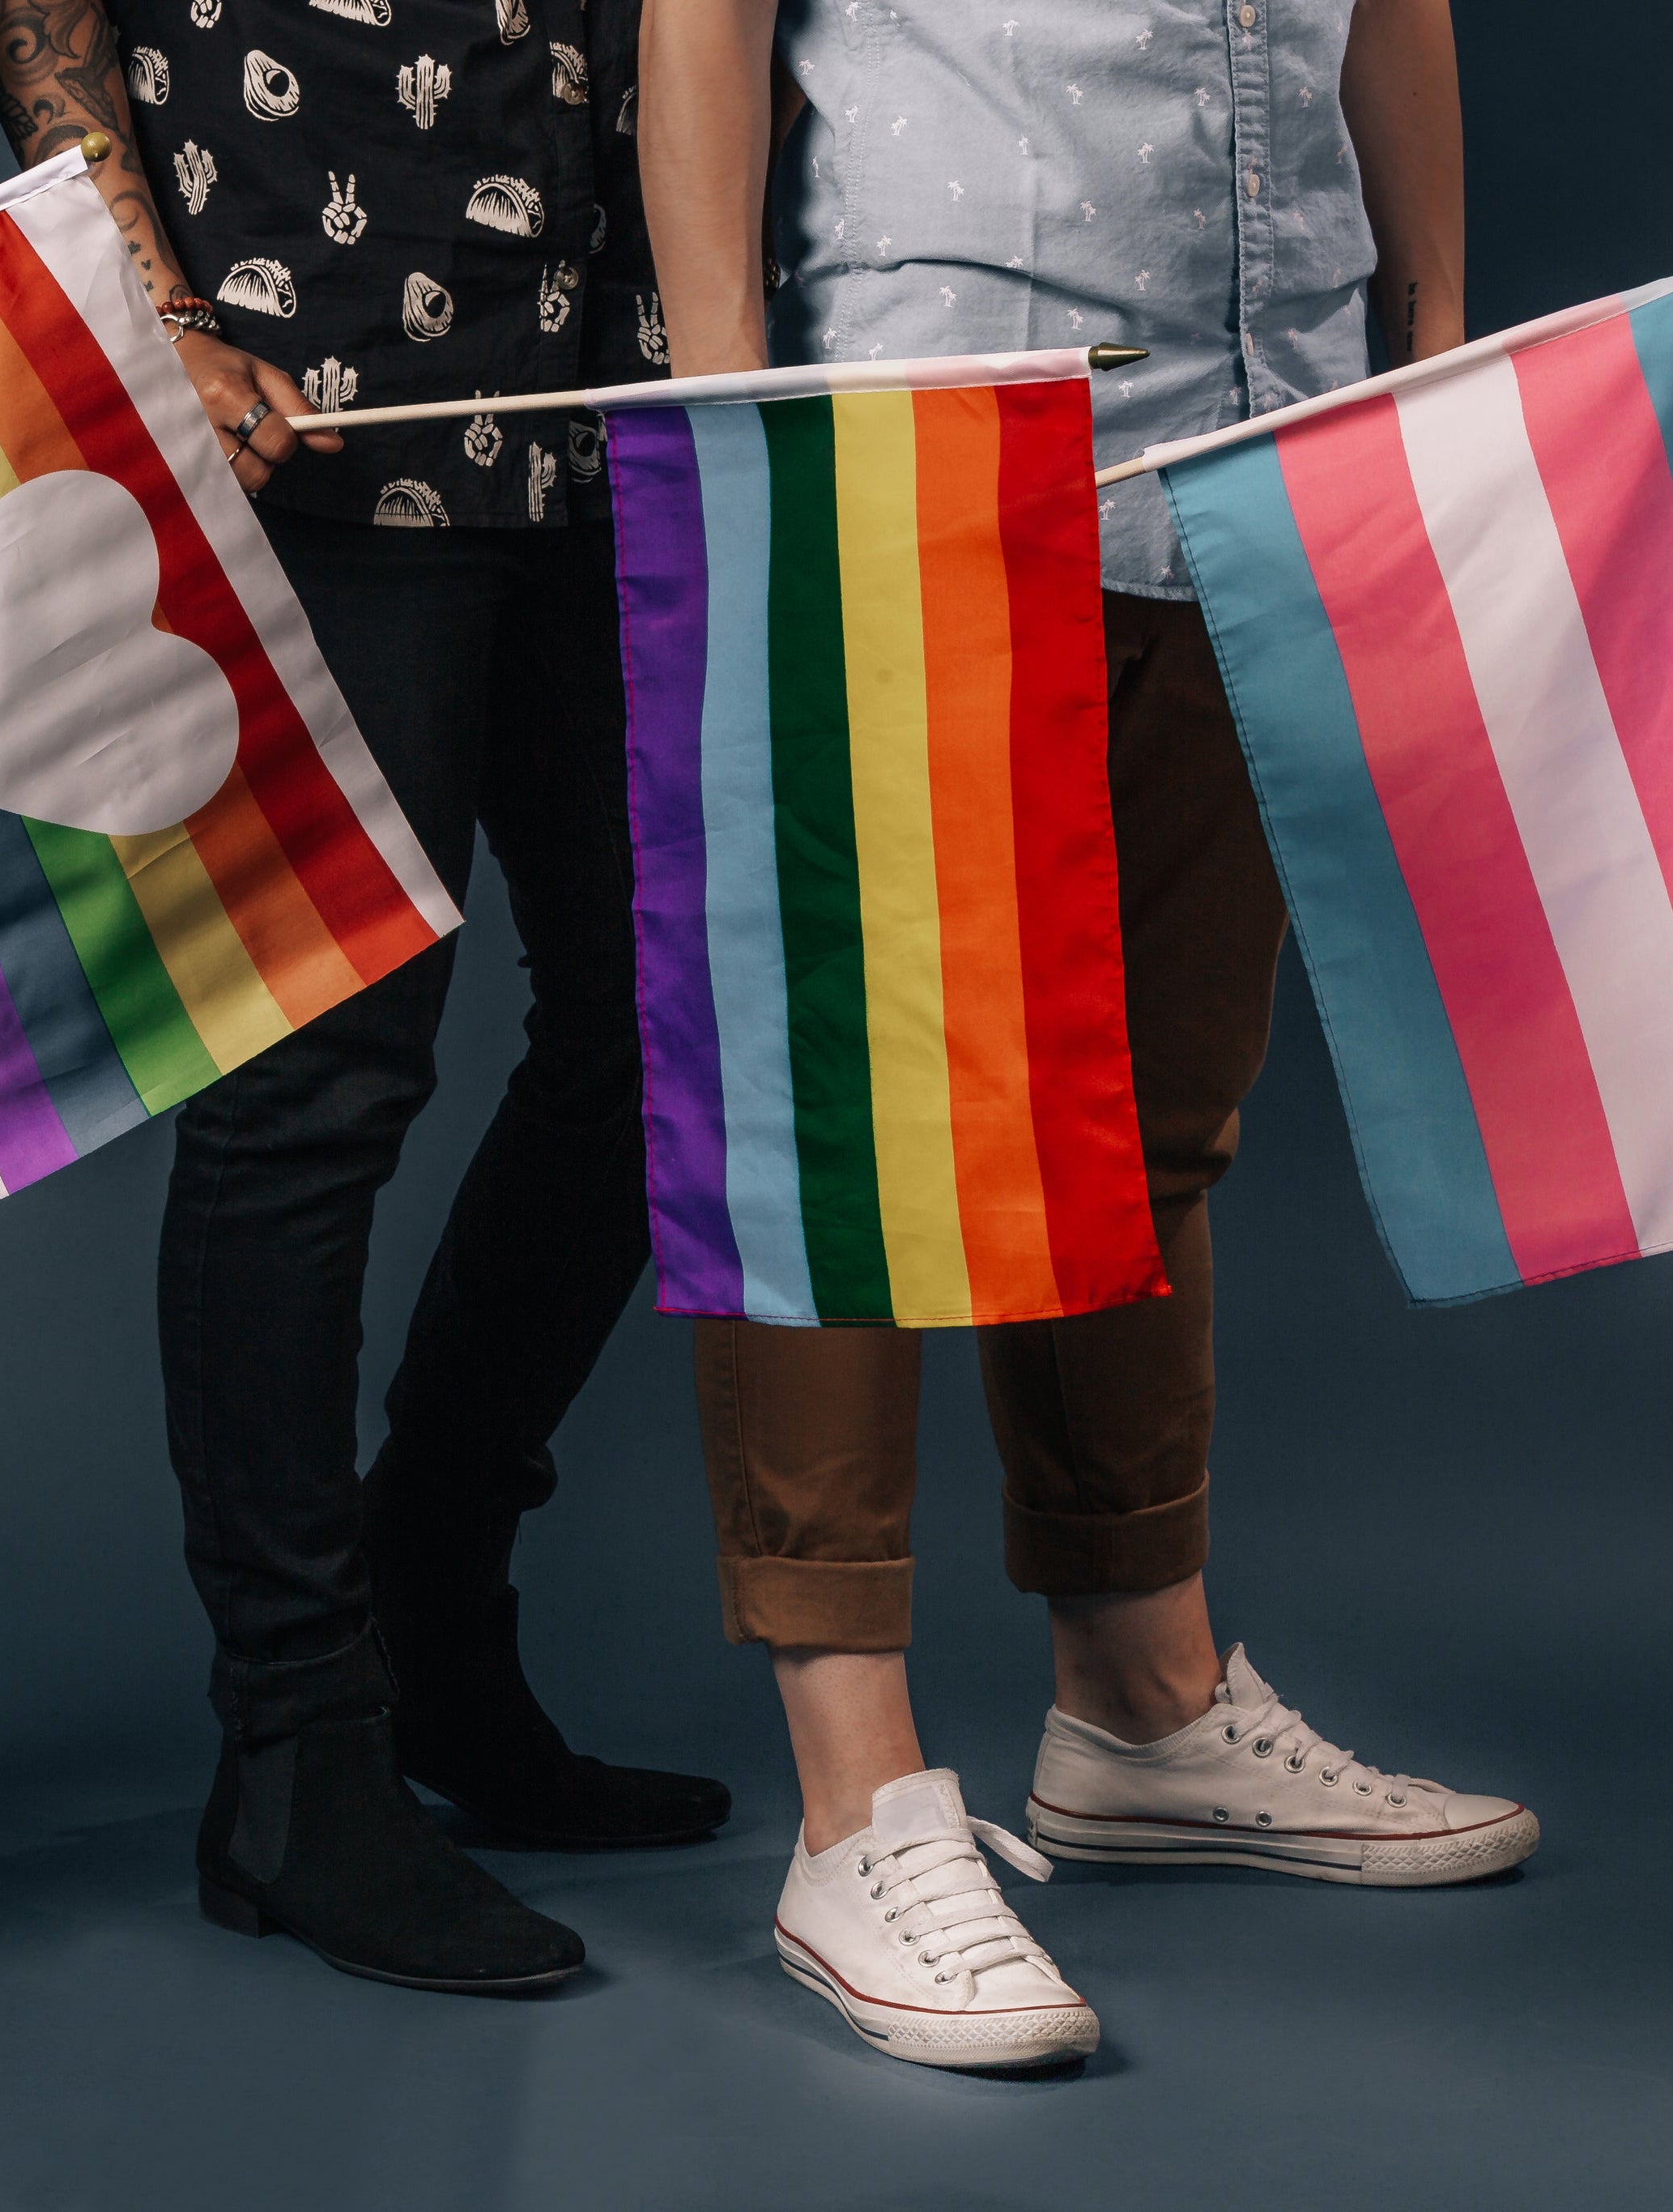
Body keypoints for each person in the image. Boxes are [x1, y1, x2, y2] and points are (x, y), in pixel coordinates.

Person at [639, 0, 1536, 2069]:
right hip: (929, 411)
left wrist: (1435, 321)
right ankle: (853, 1803)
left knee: (1151, 1104)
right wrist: (721, 403)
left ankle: (1141, 1702)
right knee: (846, 1117)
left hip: (1251, 419)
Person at [0, 0, 729, 1993]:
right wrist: (148, 308)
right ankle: (298, 1751)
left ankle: (434, 1603)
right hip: (312, 378)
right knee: (317, 1072)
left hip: (603, 369)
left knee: (664, 1022)